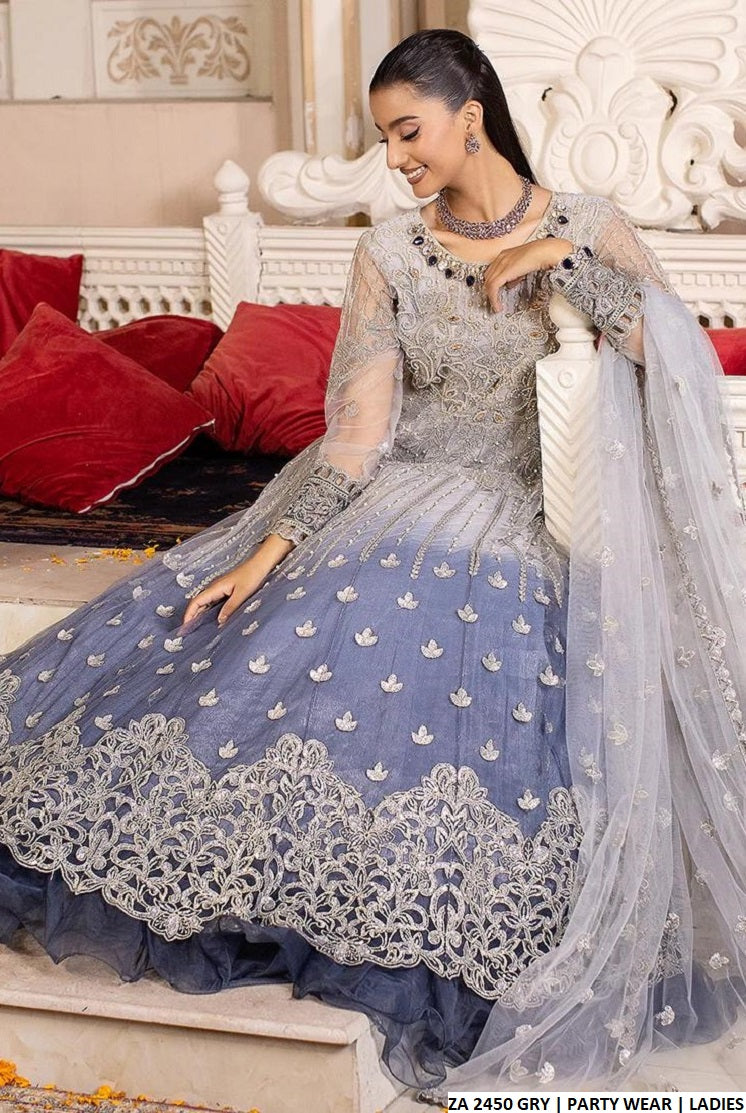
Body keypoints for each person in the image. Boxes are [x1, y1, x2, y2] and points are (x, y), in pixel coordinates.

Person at [0, 27, 744, 1098]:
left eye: (407, 132)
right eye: (383, 137)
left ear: (469, 118)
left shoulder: (589, 225)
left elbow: (673, 356)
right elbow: (355, 437)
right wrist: (268, 552)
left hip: (529, 515)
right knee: (279, 637)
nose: (393, 158)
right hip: (398, 495)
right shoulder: (388, 252)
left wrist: (567, 267)